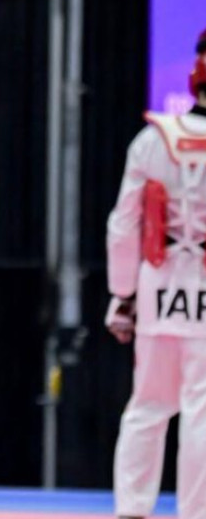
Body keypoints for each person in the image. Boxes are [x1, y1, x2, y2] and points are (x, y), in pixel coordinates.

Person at [105, 32, 206, 519]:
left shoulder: (153, 139)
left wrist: (123, 293)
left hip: (158, 287)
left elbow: (123, 223)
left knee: (147, 406)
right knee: (202, 412)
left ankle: (131, 510)